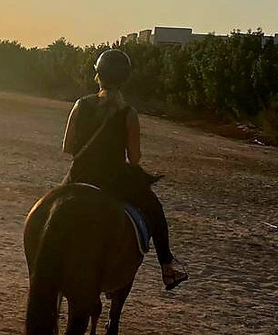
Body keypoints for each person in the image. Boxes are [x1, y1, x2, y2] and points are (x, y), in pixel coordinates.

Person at [61, 49, 188, 291]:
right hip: (113, 180)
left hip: (79, 176)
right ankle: (168, 269)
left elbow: (67, 147)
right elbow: (135, 158)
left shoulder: (80, 104)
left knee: (48, 208)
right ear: (125, 79)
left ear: (97, 75)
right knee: (155, 210)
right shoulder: (128, 114)